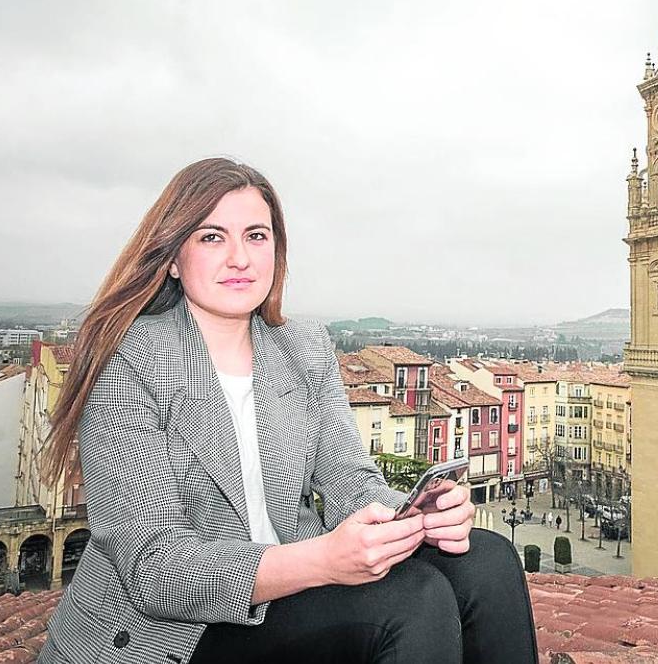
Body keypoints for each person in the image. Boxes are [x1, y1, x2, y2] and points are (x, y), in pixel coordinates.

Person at [38, 158, 539, 664]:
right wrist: (322, 560)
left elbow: (351, 482)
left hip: (291, 589)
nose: (240, 258)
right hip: (169, 632)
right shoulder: (129, 359)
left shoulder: (301, 347)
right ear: (172, 257)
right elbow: (158, 570)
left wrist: (419, 514)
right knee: (414, 602)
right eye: (212, 237)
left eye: (256, 236)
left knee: (488, 560)